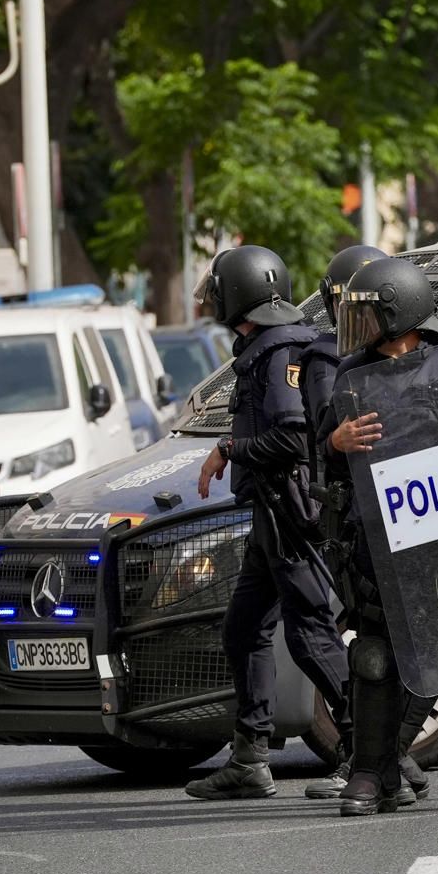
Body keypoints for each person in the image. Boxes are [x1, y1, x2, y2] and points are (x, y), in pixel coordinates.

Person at [321, 257, 438, 813]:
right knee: (375, 657)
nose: (351, 326)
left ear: (398, 316)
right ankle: (372, 773)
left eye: (364, 314)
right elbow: (323, 465)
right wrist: (336, 444)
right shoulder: (350, 379)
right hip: (375, 542)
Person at [184, 246, 352, 802]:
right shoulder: (267, 346)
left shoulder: (277, 352)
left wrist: (231, 448)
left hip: (289, 514)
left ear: (238, 294)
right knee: (243, 630)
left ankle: (370, 751)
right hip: (271, 515)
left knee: (310, 634)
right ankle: (251, 758)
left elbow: (291, 438)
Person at [298, 244, 410, 801]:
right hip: (363, 520)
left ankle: (401, 762)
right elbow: (329, 432)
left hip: (418, 521)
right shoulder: (337, 364)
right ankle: (376, 766)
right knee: (370, 650)